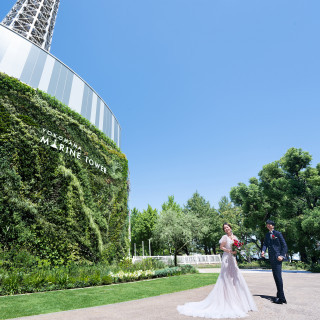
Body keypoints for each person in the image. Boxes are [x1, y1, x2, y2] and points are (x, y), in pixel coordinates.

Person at [177, 223, 257, 318]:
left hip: (233, 258)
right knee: (227, 278)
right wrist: (230, 251)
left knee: (236, 278)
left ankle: (240, 302)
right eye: (224, 228)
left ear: (230, 227)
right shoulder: (224, 237)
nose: (226, 229)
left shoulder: (235, 237)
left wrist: (236, 253)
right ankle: (228, 300)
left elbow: (238, 247)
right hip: (227, 258)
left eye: (227, 227)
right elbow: (221, 247)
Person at [261, 219, 288, 304]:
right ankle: (279, 295)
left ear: (273, 225)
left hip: (277, 258)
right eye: (267, 224)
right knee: (276, 276)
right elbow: (265, 244)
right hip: (271, 258)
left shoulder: (277, 234)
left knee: (278, 277)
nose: (268, 225)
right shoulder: (267, 235)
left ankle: (282, 298)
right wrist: (263, 251)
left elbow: (285, 246)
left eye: (270, 224)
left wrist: (282, 256)